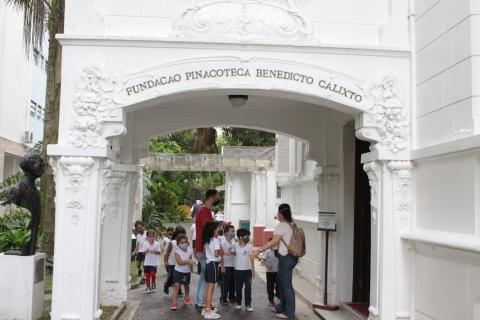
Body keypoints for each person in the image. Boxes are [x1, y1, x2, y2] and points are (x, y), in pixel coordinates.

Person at [252, 204, 298, 319]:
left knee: (286, 285)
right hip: (292, 257)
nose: (276, 215)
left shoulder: (282, 225)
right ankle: (281, 307)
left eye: (277, 212)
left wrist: (259, 250)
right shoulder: (292, 224)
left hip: (286, 258)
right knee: (281, 282)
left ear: (281, 214)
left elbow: (273, 241)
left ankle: (289, 312)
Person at [195, 189, 220, 310]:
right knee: (208, 277)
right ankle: (203, 302)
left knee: (204, 275)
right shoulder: (204, 211)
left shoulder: (207, 211)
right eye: (217, 196)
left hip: (204, 248)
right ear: (212, 197)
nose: (218, 198)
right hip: (204, 249)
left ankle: (200, 300)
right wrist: (219, 225)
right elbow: (209, 228)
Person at [202, 221, 222, 319]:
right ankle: (208, 311)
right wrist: (221, 255)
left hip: (208, 264)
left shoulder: (207, 240)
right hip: (213, 264)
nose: (219, 229)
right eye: (218, 228)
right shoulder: (216, 240)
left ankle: (205, 307)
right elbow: (216, 254)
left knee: (208, 287)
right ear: (213, 230)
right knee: (211, 288)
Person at [233, 228, 255, 312]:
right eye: (246, 235)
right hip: (238, 270)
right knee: (238, 287)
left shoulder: (249, 246)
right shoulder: (235, 245)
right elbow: (233, 254)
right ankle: (238, 303)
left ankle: (248, 305)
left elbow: (252, 258)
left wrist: (253, 270)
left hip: (247, 271)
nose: (247, 237)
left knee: (248, 288)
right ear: (240, 237)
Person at [170, 235, 194, 310]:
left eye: (186, 242)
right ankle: (174, 303)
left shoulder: (190, 250)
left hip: (187, 272)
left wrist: (192, 268)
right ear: (178, 244)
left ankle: (187, 297)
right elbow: (179, 262)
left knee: (186, 286)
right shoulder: (177, 251)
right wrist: (188, 261)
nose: (184, 244)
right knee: (177, 286)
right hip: (178, 271)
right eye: (182, 242)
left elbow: (190, 261)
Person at [164, 226, 186, 296]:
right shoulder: (172, 243)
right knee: (172, 277)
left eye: (183, 234)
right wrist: (166, 262)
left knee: (178, 278)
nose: (182, 235)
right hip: (172, 263)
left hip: (180, 263)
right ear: (176, 234)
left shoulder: (183, 243)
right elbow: (167, 253)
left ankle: (179, 291)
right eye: (180, 234)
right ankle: (167, 285)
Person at [220, 224, 236, 304]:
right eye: (231, 231)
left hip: (233, 266)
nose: (233, 233)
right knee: (225, 283)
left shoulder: (234, 243)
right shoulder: (223, 243)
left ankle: (232, 296)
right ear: (226, 233)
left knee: (233, 283)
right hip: (225, 266)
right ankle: (223, 298)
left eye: (234, 231)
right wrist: (222, 266)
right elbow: (220, 255)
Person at [264, 238, 280, 306]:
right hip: (269, 272)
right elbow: (263, 260)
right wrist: (267, 264)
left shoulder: (278, 251)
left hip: (278, 272)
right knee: (270, 286)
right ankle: (271, 300)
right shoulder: (267, 252)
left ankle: (278, 298)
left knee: (278, 286)